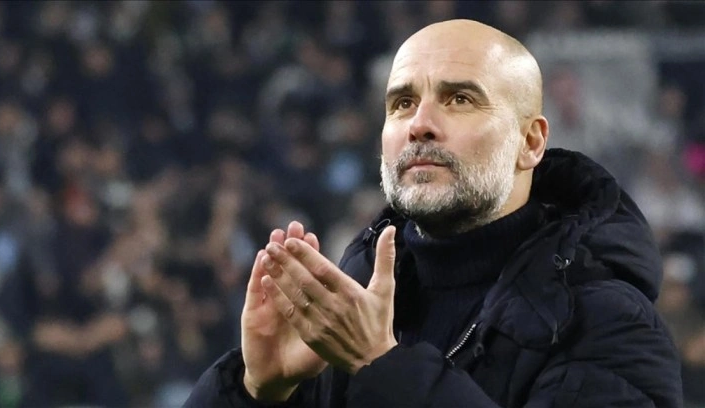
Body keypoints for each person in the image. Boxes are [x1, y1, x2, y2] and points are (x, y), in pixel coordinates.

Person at [184, 19, 682, 407]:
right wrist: (255, 390)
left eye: (459, 99)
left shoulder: (610, 324)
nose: (419, 124)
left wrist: (382, 366)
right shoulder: (351, 303)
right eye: (402, 103)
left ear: (530, 142)